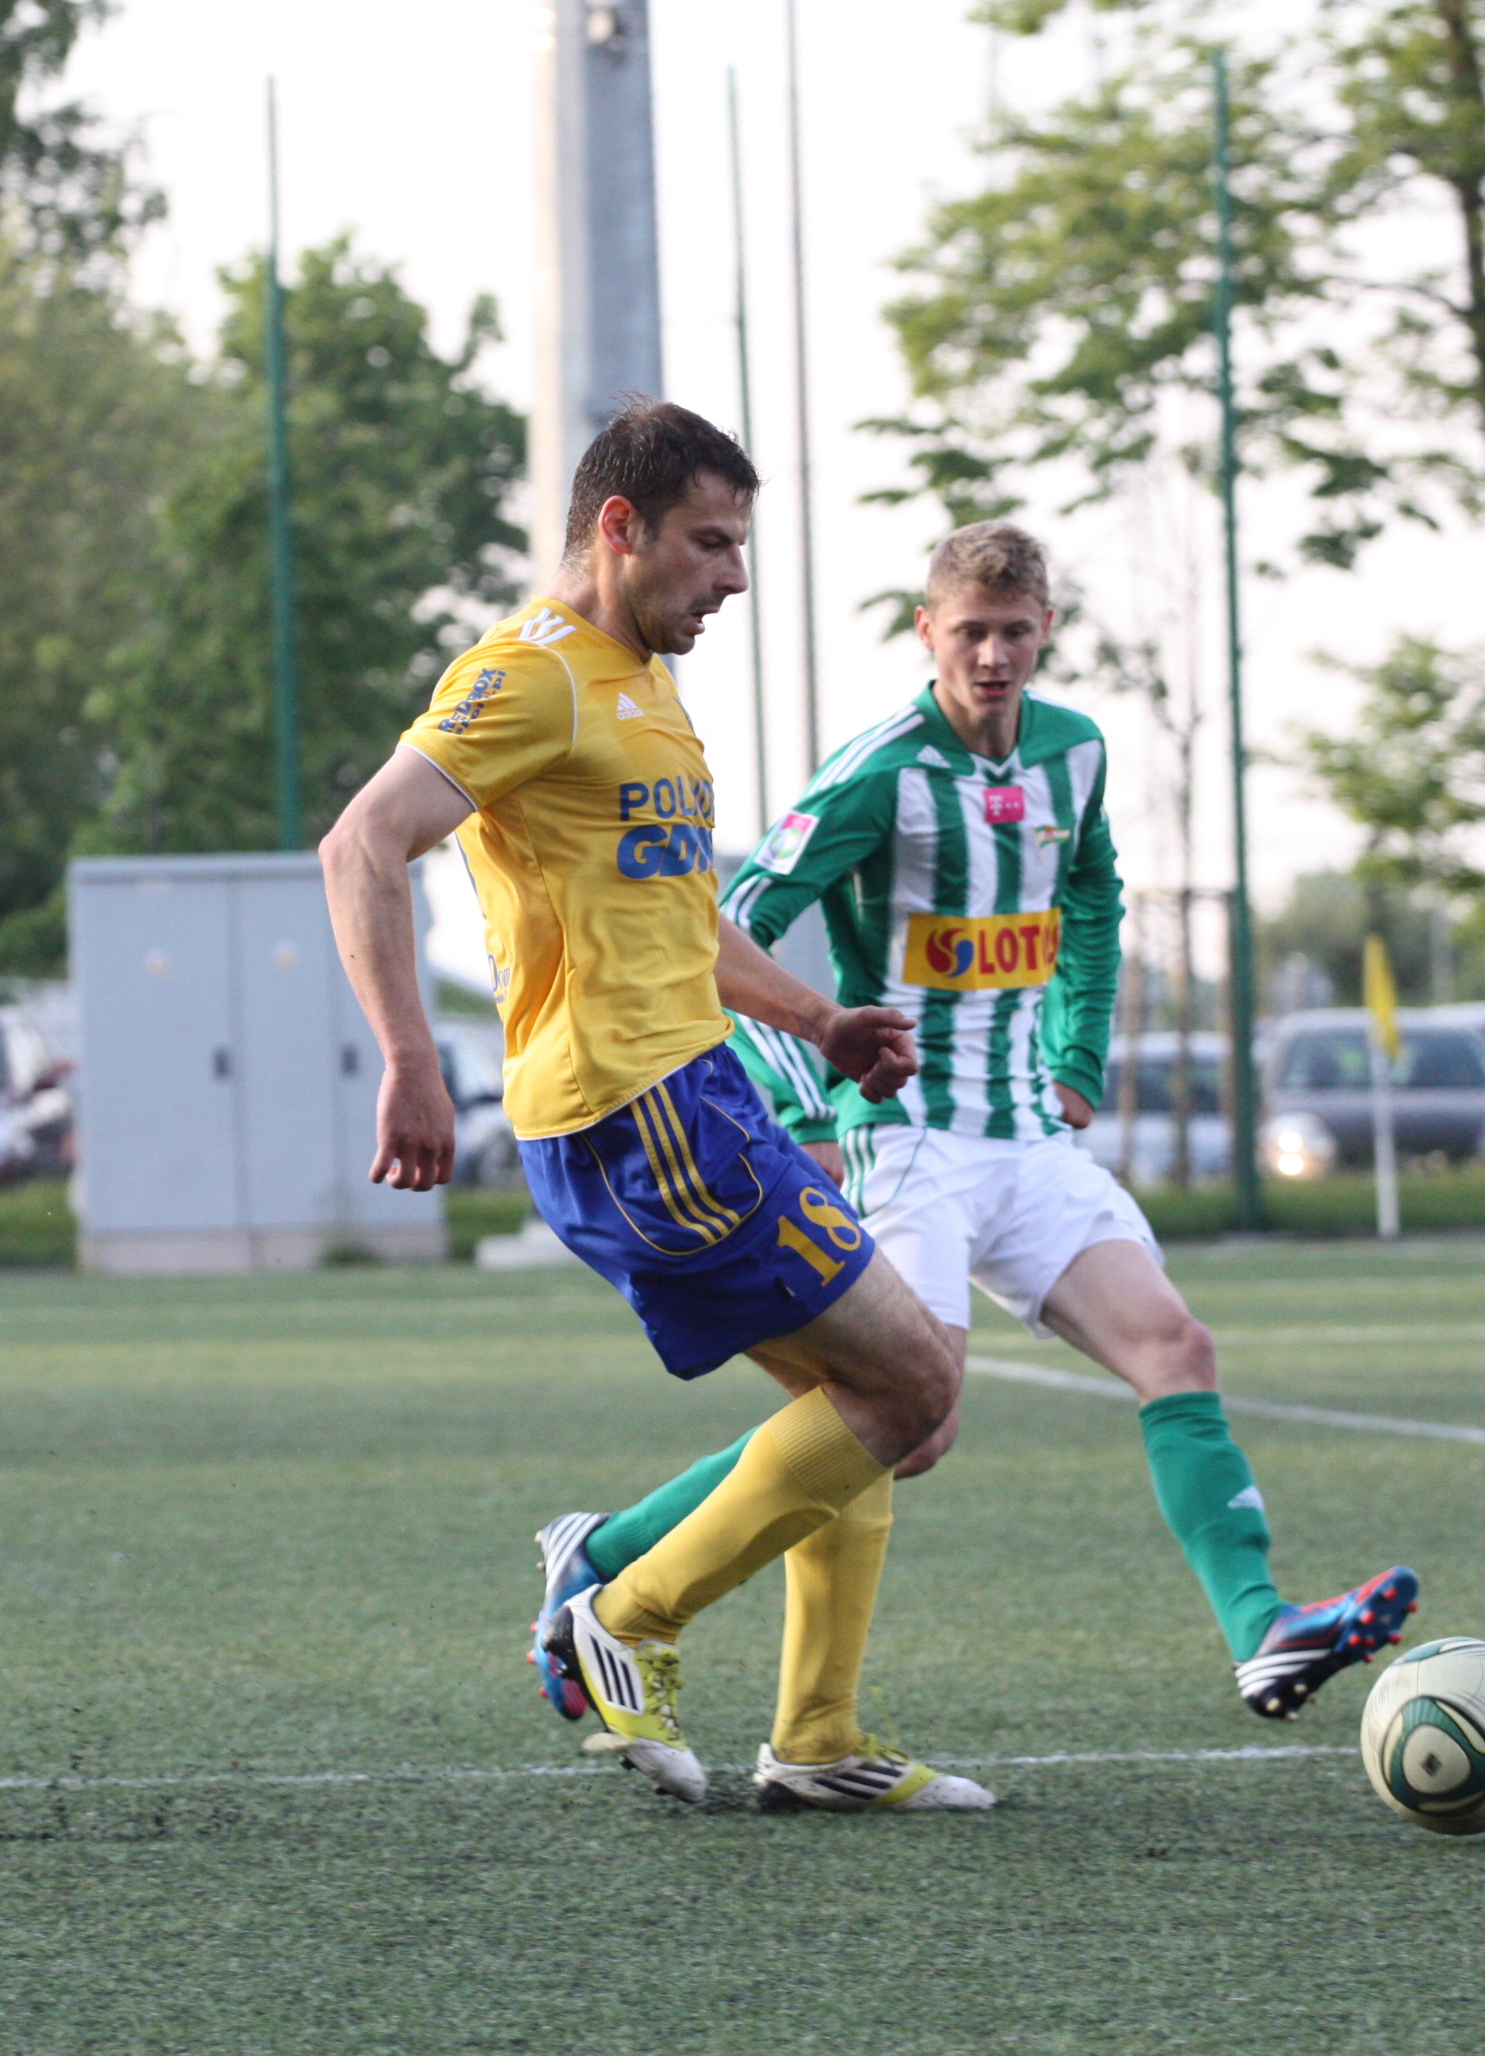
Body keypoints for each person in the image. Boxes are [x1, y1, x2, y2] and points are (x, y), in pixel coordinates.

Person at [530, 521, 1419, 1729]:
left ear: (1045, 630)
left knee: (1176, 1348)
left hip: (1028, 1138)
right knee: (911, 1420)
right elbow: (726, 923)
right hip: (909, 1143)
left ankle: (1261, 1628)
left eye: (1012, 633)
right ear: (927, 634)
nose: (992, 657)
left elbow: (1093, 896)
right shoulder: (881, 771)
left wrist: (1077, 1056)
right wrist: (805, 1098)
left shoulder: (1075, 753)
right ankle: (610, 1556)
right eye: (969, 634)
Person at [320, 399, 986, 1813]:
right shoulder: (532, 675)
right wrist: (411, 1059)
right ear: (617, 528)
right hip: (640, 1111)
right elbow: (362, 843)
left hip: (698, 1091)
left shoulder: (642, 681)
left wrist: (818, 1020)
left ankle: (816, 1738)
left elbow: (679, 913)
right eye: (710, 542)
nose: (733, 576)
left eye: (739, 545)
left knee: (876, 1407)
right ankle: (622, 1608)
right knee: (917, 1381)